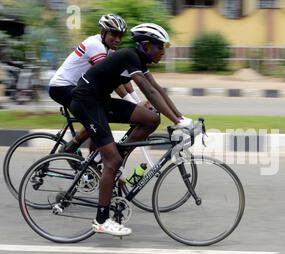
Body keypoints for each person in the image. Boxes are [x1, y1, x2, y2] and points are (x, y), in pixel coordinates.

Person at [70, 23, 193, 237]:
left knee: (151, 119)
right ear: (146, 46)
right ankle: (101, 219)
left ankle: (118, 155)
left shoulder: (139, 60)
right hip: (86, 102)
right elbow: (149, 93)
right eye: (160, 47)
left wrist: (180, 117)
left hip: (100, 101)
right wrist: (176, 120)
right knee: (113, 161)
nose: (163, 52)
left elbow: (158, 90)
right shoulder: (129, 56)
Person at [48, 14, 141, 154]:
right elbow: (110, 79)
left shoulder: (109, 50)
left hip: (76, 88)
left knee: (98, 116)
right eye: (114, 35)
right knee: (95, 117)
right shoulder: (95, 45)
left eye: (120, 36)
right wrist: (133, 104)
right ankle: (70, 148)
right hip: (62, 87)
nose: (117, 39)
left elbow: (123, 77)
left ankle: (90, 164)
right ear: (103, 32)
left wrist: (137, 100)